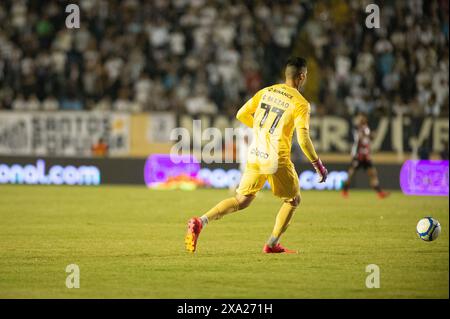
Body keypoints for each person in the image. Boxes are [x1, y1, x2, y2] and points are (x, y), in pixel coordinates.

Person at [184, 57, 328, 254]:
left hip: (256, 153)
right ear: (302, 77)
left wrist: (263, 130)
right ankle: (271, 244)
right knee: (293, 200)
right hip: (277, 158)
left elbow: (241, 114)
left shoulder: (266, 91)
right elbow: (303, 140)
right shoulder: (301, 104)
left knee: (241, 200)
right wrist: (318, 164)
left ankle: (201, 221)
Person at [342, 114, 389, 199]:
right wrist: (353, 154)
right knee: (351, 174)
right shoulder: (358, 130)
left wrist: (371, 137)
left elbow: (367, 141)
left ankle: (380, 192)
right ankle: (345, 190)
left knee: (373, 174)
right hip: (359, 156)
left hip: (366, 156)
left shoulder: (366, 129)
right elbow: (359, 141)